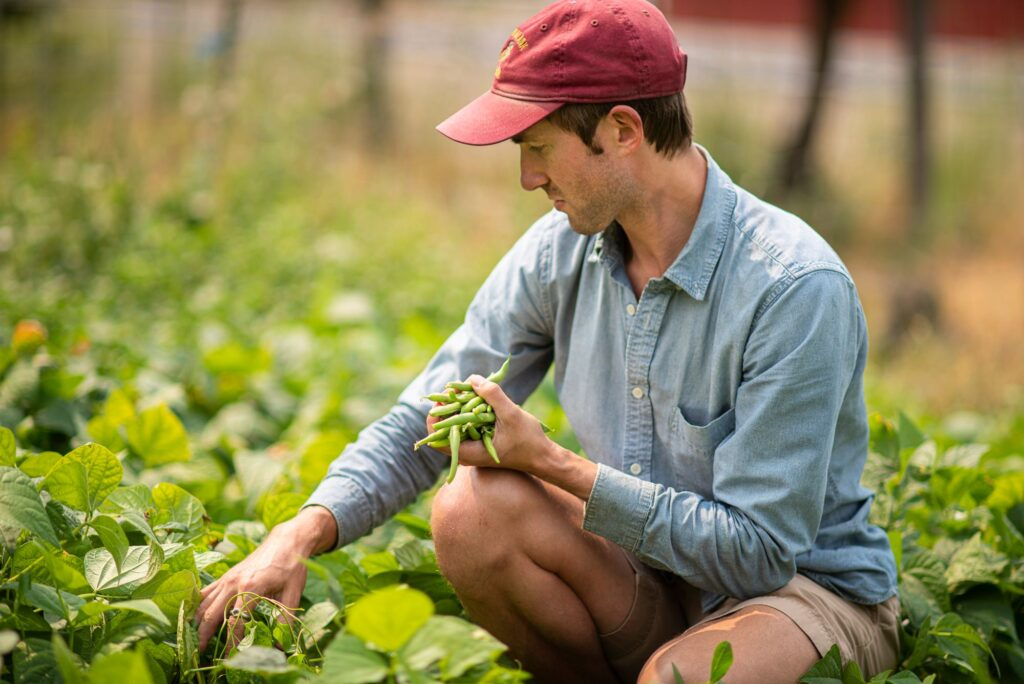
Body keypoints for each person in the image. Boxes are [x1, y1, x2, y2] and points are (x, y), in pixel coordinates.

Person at [195, 1, 900, 682]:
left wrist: (555, 463)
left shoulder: (792, 287)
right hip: (653, 577)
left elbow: (759, 555)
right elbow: (425, 417)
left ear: (623, 129)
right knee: (471, 512)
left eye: (539, 149)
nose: (528, 178)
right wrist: (297, 535)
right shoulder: (560, 253)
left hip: (802, 596)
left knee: (681, 679)